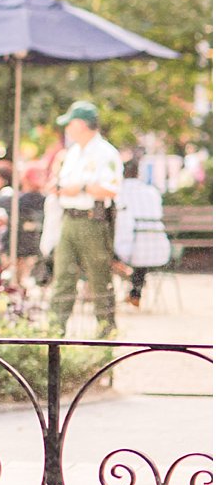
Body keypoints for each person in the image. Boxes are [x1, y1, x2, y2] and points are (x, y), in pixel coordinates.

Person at [48, 100, 122, 338]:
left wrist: (79, 188)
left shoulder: (106, 153)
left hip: (93, 219)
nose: (66, 129)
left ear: (80, 124)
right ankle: (54, 332)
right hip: (69, 218)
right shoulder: (72, 153)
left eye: (69, 124)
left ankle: (105, 332)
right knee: (62, 277)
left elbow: (111, 189)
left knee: (99, 278)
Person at [113, 155, 171, 308]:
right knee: (141, 245)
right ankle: (135, 291)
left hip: (131, 249)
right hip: (158, 248)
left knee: (112, 249)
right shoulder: (152, 192)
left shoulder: (118, 191)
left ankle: (122, 276)